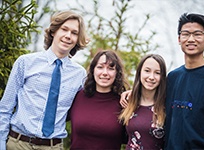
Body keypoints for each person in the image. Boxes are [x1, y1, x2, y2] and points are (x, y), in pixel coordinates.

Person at [120, 13, 204, 150]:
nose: (191, 39)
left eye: (197, 34)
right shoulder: (173, 77)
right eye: (186, 34)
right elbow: (151, 95)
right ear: (179, 39)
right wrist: (131, 93)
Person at [0, 10, 89, 150]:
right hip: (18, 144)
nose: (68, 36)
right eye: (64, 29)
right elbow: (5, 108)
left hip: (53, 146)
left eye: (74, 33)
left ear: (78, 39)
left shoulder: (80, 75)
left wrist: (126, 94)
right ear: (53, 31)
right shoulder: (25, 63)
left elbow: (91, 103)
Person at [69, 50, 128, 149]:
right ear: (93, 70)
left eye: (110, 68)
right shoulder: (77, 96)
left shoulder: (123, 102)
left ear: (117, 73)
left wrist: (135, 94)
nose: (105, 73)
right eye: (100, 67)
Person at [118, 54, 167, 149]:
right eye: (147, 71)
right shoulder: (128, 102)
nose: (151, 77)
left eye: (157, 73)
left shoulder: (166, 105)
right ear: (139, 72)